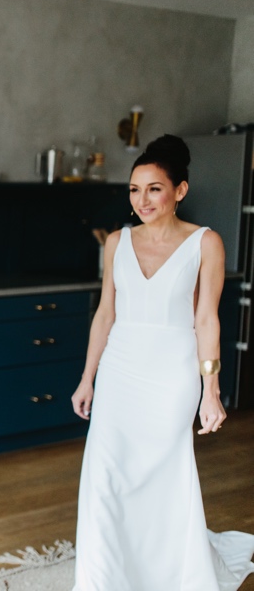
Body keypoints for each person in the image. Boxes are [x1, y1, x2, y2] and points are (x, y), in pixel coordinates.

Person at [70, 134, 254, 590]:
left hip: (173, 374)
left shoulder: (205, 243)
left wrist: (211, 391)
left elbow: (207, 321)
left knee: (163, 475)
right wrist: (87, 378)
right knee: (105, 476)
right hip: (120, 369)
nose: (142, 199)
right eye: (135, 189)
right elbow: (105, 313)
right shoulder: (117, 241)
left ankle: (169, 572)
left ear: (180, 191)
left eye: (154, 188)